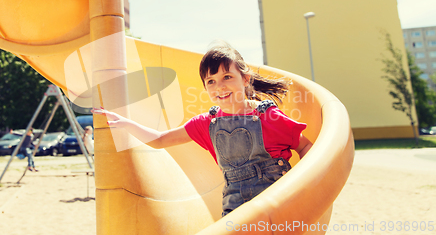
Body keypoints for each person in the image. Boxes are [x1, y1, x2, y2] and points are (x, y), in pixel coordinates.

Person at [92, 41, 313, 217]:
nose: (220, 87)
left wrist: (305, 186)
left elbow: (305, 147)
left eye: (227, 77)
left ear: (245, 79)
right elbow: (160, 140)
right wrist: (125, 123)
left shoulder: (268, 117)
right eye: (211, 81)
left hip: (278, 205)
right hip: (235, 212)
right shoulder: (207, 123)